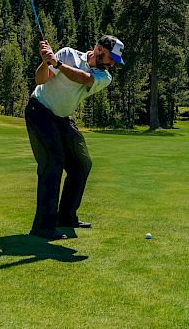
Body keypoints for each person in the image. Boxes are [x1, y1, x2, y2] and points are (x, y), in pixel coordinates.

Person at [25, 35, 125, 240]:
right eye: (110, 57)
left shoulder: (104, 76)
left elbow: (84, 79)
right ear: (98, 49)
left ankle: (66, 216)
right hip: (40, 111)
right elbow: (40, 79)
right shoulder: (68, 54)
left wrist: (57, 63)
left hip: (62, 118)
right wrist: (46, 63)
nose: (112, 63)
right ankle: (43, 227)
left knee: (81, 163)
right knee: (52, 163)